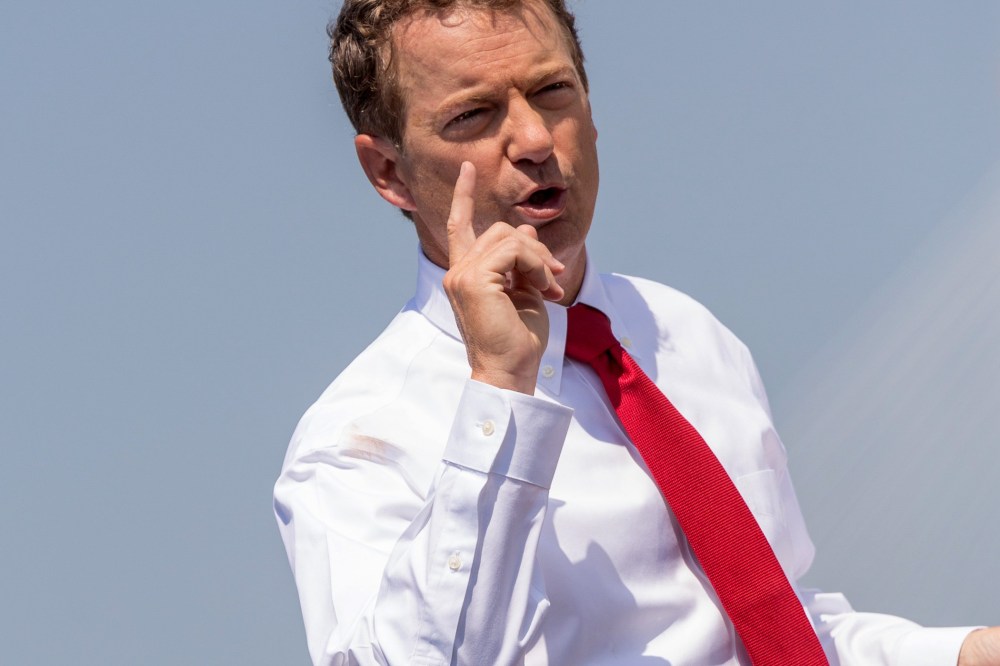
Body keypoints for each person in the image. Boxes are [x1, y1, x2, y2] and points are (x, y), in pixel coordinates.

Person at [273, 0, 1000, 664]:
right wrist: (500, 391)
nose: (532, 138)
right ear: (388, 171)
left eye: (553, 91)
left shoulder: (687, 336)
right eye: (473, 115)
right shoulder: (354, 441)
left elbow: (771, 634)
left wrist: (966, 654)